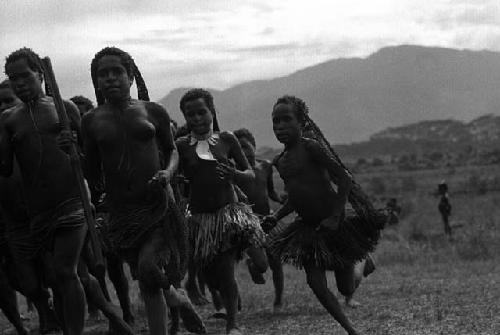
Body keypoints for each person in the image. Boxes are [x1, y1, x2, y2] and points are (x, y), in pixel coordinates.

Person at [82, 47, 204, 335]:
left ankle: (178, 297)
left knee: (149, 266)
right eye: (103, 74)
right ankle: (172, 304)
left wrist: (168, 172)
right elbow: (90, 169)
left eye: (117, 72)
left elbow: (172, 150)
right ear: (97, 82)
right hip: (123, 213)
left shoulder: (153, 111)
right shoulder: (91, 121)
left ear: (130, 76)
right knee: (146, 278)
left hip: (158, 204)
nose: (111, 78)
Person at [264, 96, 383, 335]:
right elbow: (295, 199)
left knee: (346, 287)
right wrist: (276, 217)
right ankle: (350, 329)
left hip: (335, 224)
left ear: (302, 122)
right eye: (275, 121)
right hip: (308, 228)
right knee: (314, 282)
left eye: (287, 120)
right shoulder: (280, 161)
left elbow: (344, 179)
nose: (280, 126)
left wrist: (336, 215)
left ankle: (361, 261)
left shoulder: (311, 148)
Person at [1, 48, 87, 335]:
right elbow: (3, 166)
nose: (20, 83)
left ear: (40, 74)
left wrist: (73, 145)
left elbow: (90, 157)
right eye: (13, 79)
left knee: (65, 271)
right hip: (39, 213)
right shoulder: (9, 120)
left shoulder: (65, 108)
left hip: (72, 201)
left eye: (25, 76)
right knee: (54, 278)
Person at [176, 88, 267, 335]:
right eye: (190, 114)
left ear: (212, 112)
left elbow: (249, 174)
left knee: (228, 273)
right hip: (199, 221)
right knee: (211, 278)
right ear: (184, 116)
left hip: (228, 216)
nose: (197, 118)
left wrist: (234, 174)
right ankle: (227, 299)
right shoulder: (182, 146)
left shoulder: (227, 139)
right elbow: (173, 171)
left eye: (202, 112)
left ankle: (233, 324)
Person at [233, 128, 286, 310]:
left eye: (246, 147)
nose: (244, 152)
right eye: (239, 149)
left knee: (276, 262)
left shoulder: (266, 166)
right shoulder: (237, 172)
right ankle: (253, 265)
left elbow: (270, 191)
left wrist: (281, 199)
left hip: (268, 220)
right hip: (248, 223)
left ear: (254, 146)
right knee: (263, 265)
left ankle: (278, 301)